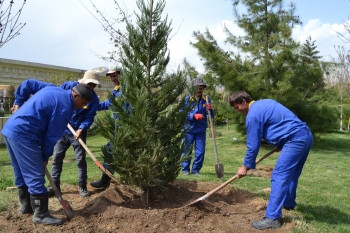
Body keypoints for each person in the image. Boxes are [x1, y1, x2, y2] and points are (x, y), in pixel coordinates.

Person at [2, 83, 93, 226]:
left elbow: (29, 83)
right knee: (36, 174)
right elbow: (52, 136)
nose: (82, 107)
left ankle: (26, 207)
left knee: (20, 171)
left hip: (10, 129)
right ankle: (41, 214)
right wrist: (44, 156)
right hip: (25, 134)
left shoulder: (54, 89)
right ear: (75, 96)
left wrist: (18, 102)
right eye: (82, 103)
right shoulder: (65, 107)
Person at [229, 91, 313, 230]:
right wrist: (281, 142)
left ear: (244, 101)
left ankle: (272, 218)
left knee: (279, 175)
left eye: (237, 107)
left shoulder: (252, 115)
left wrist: (244, 167)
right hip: (305, 135)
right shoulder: (265, 102)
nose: (237, 111)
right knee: (291, 174)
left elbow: (253, 146)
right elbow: (282, 121)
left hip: (295, 140)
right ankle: (288, 203)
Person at [46, 70, 100, 198]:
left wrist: (81, 129)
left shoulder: (94, 99)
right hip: (63, 129)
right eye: (90, 84)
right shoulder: (68, 86)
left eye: (94, 85)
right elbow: (58, 97)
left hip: (78, 133)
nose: (91, 87)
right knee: (57, 158)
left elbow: (89, 116)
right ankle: (54, 186)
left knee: (80, 160)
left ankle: (82, 187)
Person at [90, 65, 123, 189]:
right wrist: (92, 102)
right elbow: (107, 105)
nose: (113, 78)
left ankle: (106, 181)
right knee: (112, 152)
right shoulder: (116, 90)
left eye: (115, 75)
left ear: (121, 74)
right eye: (111, 76)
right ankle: (106, 181)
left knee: (112, 151)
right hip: (118, 128)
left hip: (126, 127)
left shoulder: (127, 89)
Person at [181, 78, 213, 176]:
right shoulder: (187, 100)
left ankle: (196, 170)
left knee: (200, 152)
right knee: (187, 150)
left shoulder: (206, 99)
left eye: (202, 88)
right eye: (198, 88)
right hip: (189, 130)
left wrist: (210, 110)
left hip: (201, 130)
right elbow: (181, 113)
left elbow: (211, 115)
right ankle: (185, 170)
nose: (200, 90)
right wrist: (193, 116)